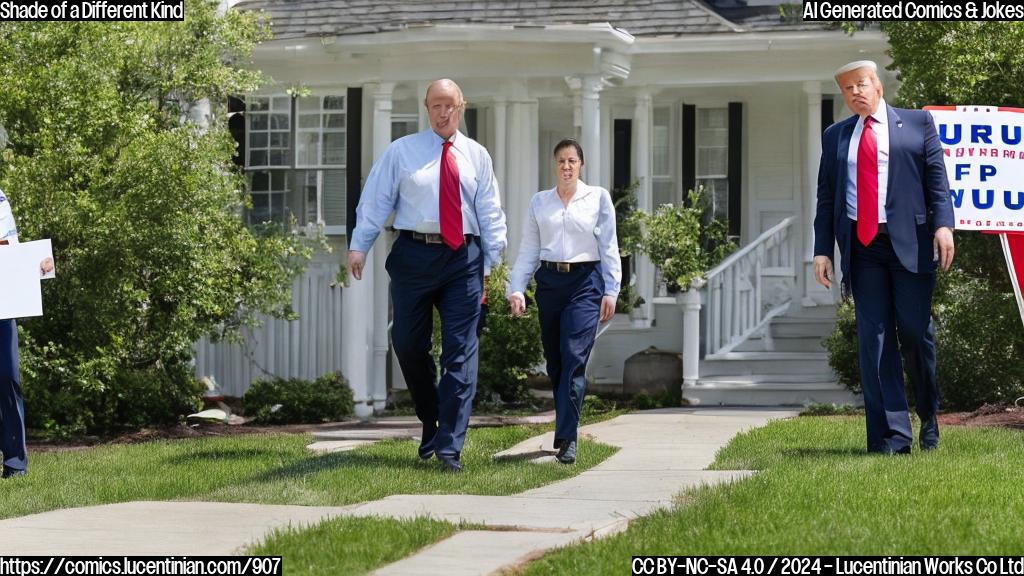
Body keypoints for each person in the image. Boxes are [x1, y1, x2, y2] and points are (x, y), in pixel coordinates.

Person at [347, 79, 507, 472]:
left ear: (461, 107)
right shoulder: (402, 152)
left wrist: (492, 264)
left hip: (464, 258)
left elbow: (490, 213)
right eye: (436, 105)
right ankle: (431, 418)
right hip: (414, 254)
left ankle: (450, 446)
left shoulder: (477, 156)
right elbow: (376, 199)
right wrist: (359, 244)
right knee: (406, 342)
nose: (443, 112)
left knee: (460, 352)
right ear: (426, 107)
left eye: (450, 105)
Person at [813, 60, 955, 455]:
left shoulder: (916, 123)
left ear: (877, 84)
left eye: (861, 84)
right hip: (863, 248)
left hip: (910, 242)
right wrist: (822, 248)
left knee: (914, 332)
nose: (855, 92)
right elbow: (827, 195)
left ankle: (927, 412)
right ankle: (891, 438)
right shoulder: (836, 136)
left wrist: (944, 225)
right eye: (847, 89)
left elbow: (936, 180)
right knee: (874, 342)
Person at [507, 139, 620, 464]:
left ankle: (568, 438)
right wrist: (517, 287)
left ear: (580, 165)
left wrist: (611, 289)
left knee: (573, 356)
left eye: (572, 161)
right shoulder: (540, 202)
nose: (566, 167)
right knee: (556, 363)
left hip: (586, 282)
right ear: (555, 165)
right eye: (561, 161)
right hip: (550, 283)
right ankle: (564, 426)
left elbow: (609, 246)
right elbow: (529, 249)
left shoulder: (597, 198)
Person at [0, 188, 27, 478]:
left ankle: (15, 463)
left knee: (8, 378)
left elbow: (7, 244)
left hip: (2, 304)